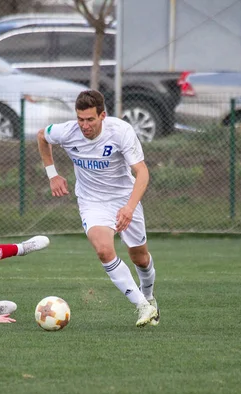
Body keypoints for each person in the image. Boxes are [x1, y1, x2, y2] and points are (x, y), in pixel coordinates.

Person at [37, 90, 159, 327]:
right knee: (104, 250)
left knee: (140, 257)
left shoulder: (121, 131)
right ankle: (142, 306)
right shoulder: (67, 132)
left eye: (90, 119)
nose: (84, 125)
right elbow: (42, 136)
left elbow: (142, 172)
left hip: (124, 197)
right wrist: (52, 174)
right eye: (80, 119)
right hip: (91, 201)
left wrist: (129, 208)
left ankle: (149, 296)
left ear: (103, 115)